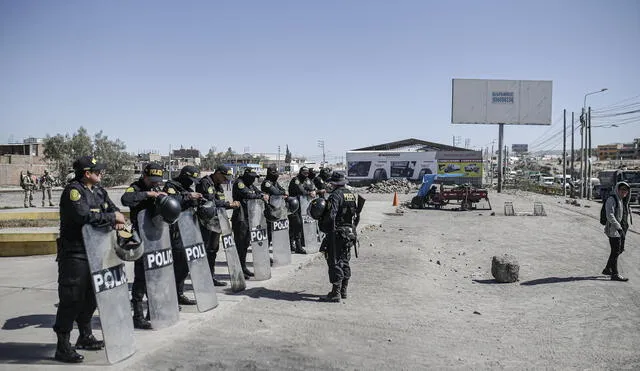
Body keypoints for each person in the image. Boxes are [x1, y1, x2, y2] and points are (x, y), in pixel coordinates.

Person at [53, 155, 126, 363]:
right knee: (72, 299)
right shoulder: (74, 192)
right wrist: (112, 218)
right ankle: (63, 346)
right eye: (97, 171)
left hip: (97, 252)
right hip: (75, 254)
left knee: (93, 296)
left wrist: (117, 218)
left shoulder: (99, 191)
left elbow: (114, 210)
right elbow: (84, 217)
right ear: (87, 174)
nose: (101, 173)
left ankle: (85, 336)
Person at [120, 163, 167, 329]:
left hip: (156, 238)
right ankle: (138, 315)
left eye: (157, 181)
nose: (154, 183)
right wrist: (147, 194)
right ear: (144, 176)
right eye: (151, 180)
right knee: (141, 278)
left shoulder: (160, 188)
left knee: (156, 277)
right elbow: (125, 199)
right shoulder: (136, 188)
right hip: (140, 238)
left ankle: (154, 310)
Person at [163, 165, 203, 305]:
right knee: (177, 264)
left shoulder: (188, 189)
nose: (192, 182)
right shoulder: (171, 185)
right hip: (175, 230)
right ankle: (170, 297)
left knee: (185, 264)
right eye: (191, 179)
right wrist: (188, 196)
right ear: (184, 176)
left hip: (188, 229)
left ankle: (179, 293)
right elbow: (171, 201)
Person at [196, 165, 240, 286]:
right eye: (224, 177)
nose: (225, 180)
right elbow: (211, 201)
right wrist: (228, 204)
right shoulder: (205, 183)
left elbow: (219, 202)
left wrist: (225, 205)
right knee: (204, 250)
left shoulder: (219, 186)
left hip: (216, 222)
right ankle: (202, 279)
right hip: (205, 223)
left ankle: (211, 277)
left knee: (213, 250)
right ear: (218, 173)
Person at [319, 172, 358, 302]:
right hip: (349, 232)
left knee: (334, 261)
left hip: (337, 233)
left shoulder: (335, 195)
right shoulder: (350, 194)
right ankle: (343, 291)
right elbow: (355, 215)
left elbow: (331, 215)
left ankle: (335, 293)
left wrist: (323, 225)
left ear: (335, 183)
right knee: (345, 261)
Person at [232, 168, 268, 278]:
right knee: (240, 245)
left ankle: (243, 267)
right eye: (251, 177)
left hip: (248, 218)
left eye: (254, 177)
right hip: (240, 218)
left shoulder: (250, 184)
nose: (253, 180)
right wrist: (261, 196)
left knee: (245, 244)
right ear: (247, 176)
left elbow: (257, 192)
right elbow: (248, 195)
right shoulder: (240, 183)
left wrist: (262, 194)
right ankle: (238, 271)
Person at [602, 182, 632, 282]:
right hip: (614, 230)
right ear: (617, 189)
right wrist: (618, 228)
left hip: (622, 229)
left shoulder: (623, 200)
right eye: (622, 190)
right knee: (615, 251)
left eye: (626, 190)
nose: (624, 192)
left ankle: (607, 269)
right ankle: (615, 274)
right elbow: (610, 215)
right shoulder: (612, 199)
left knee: (619, 250)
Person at [287, 166, 316, 254]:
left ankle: (292, 245)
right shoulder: (296, 180)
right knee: (297, 225)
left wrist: (313, 191)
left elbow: (312, 187)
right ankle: (297, 246)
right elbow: (301, 190)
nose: (306, 175)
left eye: (307, 173)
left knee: (295, 226)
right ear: (300, 172)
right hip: (294, 207)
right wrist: (309, 192)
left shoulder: (307, 180)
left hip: (303, 206)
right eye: (304, 173)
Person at [261, 164, 288, 245]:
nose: (276, 175)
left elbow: (281, 189)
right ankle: (267, 248)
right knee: (269, 230)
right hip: (268, 209)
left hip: (276, 208)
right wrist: (283, 193)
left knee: (276, 229)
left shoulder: (275, 182)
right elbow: (276, 192)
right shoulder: (267, 183)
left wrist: (282, 192)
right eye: (274, 173)